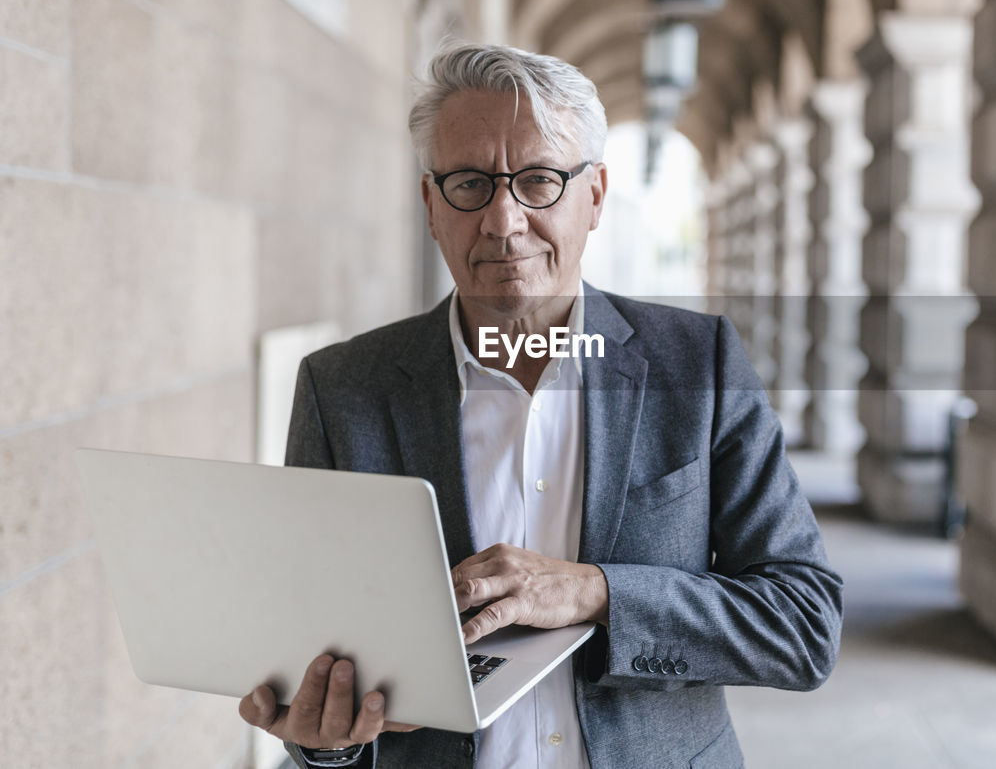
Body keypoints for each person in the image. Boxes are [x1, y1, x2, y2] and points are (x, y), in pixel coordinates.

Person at [238, 43, 843, 768]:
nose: (502, 219)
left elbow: (804, 623)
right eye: (469, 182)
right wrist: (325, 743)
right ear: (431, 205)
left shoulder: (698, 363)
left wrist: (595, 592)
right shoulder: (343, 389)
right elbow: (320, 657)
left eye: (538, 180)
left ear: (595, 196)